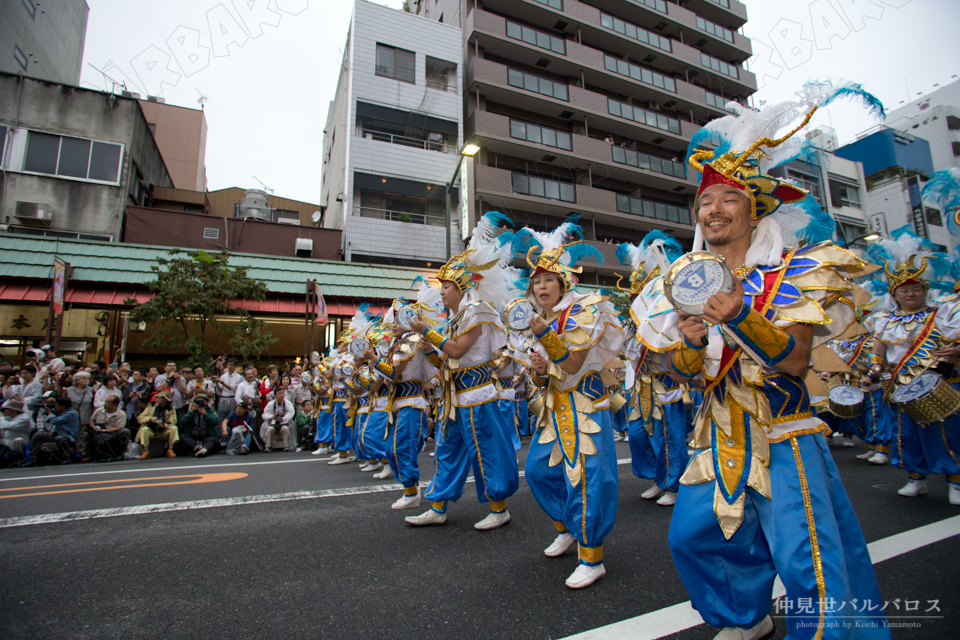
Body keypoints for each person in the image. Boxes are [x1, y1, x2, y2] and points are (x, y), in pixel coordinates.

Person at [641, 83, 891, 639]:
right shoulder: (682, 283)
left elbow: (797, 359)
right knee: (692, 537)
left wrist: (739, 317)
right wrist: (686, 341)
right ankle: (745, 618)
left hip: (782, 432)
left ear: (754, 210)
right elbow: (683, 375)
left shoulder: (794, 272)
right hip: (717, 432)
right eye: (704, 200)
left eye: (728, 198)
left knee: (810, 566)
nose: (713, 209)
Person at [510, 217, 625, 589]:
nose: (541, 286)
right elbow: (546, 375)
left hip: (585, 406)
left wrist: (543, 335)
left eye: (548, 280)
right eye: (536, 281)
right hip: (553, 407)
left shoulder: (586, 309)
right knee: (541, 472)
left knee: (589, 478)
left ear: (564, 282)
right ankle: (569, 528)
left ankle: (593, 555)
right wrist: (539, 368)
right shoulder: (538, 320)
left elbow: (574, 364)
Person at [405, 212, 521, 530]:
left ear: (462, 286)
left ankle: (499, 508)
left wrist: (428, 333)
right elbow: (447, 360)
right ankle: (438, 506)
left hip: (479, 396)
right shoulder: (456, 318)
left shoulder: (478, 310)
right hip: (455, 398)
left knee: (486, 451)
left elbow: (456, 350)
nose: (441, 292)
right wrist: (428, 346)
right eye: (440, 286)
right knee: (447, 451)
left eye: (446, 286)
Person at [862, 248, 960, 504]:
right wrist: (873, 371)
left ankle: (956, 482)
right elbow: (879, 350)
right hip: (899, 384)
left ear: (925, 290)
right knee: (906, 435)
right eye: (904, 290)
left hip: (936, 381)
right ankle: (916, 479)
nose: (911, 293)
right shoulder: (885, 321)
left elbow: (954, 343)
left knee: (945, 432)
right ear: (894, 295)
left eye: (916, 288)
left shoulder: (941, 315)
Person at [618, 233, 688, 506]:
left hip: (665, 382)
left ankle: (673, 483)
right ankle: (658, 479)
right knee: (638, 434)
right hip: (640, 383)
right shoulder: (637, 316)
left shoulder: (668, 311)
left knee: (668, 436)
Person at [376, 290, 443, 507]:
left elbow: (394, 374)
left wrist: (373, 360)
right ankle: (409, 489)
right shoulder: (399, 344)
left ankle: (411, 492)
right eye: (391, 321)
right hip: (397, 404)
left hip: (410, 403)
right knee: (390, 449)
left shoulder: (410, 341)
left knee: (401, 448)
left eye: (397, 320)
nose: (393, 325)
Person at [83, 395, 130, 462]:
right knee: (86, 434)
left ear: (115, 404)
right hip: (98, 431)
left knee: (125, 431)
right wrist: (93, 427)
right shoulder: (99, 410)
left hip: (112, 432)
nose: (105, 404)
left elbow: (119, 427)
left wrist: (104, 430)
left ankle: (122, 453)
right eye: (105, 402)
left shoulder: (121, 413)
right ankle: (89, 455)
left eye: (108, 403)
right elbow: (92, 419)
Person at [136, 391, 179, 459]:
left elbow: (173, 422)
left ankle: (170, 449)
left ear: (165, 399)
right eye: (157, 397)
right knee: (144, 430)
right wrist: (150, 419)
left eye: (160, 398)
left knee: (174, 428)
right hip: (151, 430)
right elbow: (140, 418)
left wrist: (164, 425)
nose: (157, 399)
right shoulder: (151, 407)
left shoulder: (171, 409)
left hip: (163, 430)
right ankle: (145, 451)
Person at [179, 393, 220, 457]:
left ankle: (203, 450)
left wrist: (205, 414)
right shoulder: (193, 412)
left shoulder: (211, 411)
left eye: (202, 401)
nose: (200, 404)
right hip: (193, 436)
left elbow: (215, 421)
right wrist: (191, 412)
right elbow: (183, 421)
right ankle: (199, 448)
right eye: (198, 402)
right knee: (183, 436)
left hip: (206, 436)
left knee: (212, 440)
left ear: (206, 402)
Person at [261, 387, 294, 452]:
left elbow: (291, 412)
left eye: (282, 393)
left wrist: (284, 418)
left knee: (285, 428)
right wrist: (272, 416)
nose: (281, 395)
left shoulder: (288, 403)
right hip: (273, 422)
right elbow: (264, 415)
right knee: (270, 429)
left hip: (284, 422)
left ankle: (286, 446)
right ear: (275, 396)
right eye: (279, 393)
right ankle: (268, 446)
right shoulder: (270, 404)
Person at [0, 399, 32, 463]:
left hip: (20, 444)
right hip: (7, 442)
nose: (4, 411)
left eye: (7, 409)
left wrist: (0, 417)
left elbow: (7, 426)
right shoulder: (10, 417)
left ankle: (23, 459)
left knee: (18, 440)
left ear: (14, 410)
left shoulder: (24, 419)